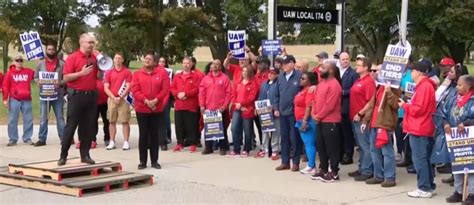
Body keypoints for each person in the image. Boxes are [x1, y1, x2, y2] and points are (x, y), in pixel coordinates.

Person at [59, 33, 101, 165]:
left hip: (91, 96)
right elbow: (65, 78)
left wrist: (101, 64)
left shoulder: (95, 58)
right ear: (81, 43)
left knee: (87, 127)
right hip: (76, 96)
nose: (91, 45)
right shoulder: (73, 58)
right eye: (89, 42)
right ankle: (63, 155)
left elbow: (99, 76)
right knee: (71, 126)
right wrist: (81, 73)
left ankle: (85, 155)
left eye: (92, 43)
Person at [399, 62, 437, 198]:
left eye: (412, 71)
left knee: (420, 159)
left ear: (419, 72)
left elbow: (419, 109)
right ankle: (428, 185)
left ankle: (424, 187)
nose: (410, 73)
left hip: (420, 127)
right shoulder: (424, 86)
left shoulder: (424, 87)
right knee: (424, 158)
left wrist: (405, 106)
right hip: (420, 126)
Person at [132, 52, 170, 169]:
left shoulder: (162, 73)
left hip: (156, 109)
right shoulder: (137, 74)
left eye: (150, 59)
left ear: (154, 62)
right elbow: (135, 90)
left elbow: (165, 89)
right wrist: (146, 101)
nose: (147, 60)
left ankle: (154, 161)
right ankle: (142, 161)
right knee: (143, 135)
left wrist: (155, 100)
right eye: (146, 58)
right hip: (142, 108)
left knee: (154, 135)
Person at [310, 61, 342, 182]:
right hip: (319, 120)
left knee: (331, 148)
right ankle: (323, 169)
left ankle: (333, 172)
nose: (320, 70)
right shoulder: (321, 83)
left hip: (330, 121)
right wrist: (314, 113)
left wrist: (319, 116)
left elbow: (330, 105)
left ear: (331, 71)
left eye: (323, 68)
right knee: (321, 146)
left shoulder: (335, 85)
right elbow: (315, 100)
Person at [444, 75, 474, 204]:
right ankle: (458, 191)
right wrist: (445, 123)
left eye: (460, 85)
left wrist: (467, 123)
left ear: (468, 87)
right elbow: (444, 113)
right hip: (455, 138)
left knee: (471, 167)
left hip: (470, 138)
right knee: (457, 165)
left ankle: (472, 194)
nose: (457, 87)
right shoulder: (453, 99)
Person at [348, 57, 376, 181]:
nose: (356, 67)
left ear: (366, 67)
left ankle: (367, 170)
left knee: (365, 145)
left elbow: (371, 101)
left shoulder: (368, 81)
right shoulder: (359, 80)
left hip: (362, 118)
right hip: (354, 117)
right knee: (361, 145)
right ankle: (362, 167)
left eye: (359, 65)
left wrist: (361, 113)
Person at [33, 42, 66, 146]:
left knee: (60, 118)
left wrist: (60, 83)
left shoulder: (61, 64)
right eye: (49, 50)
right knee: (43, 118)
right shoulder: (40, 63)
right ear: (46, 51)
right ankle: (42, 139)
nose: (51, 51)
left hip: (58, 95)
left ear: (55, 51)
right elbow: (36, 76)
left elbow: (66, 78)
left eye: (52, 49)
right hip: (44, 94)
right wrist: (38, 82)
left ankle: (63, 138)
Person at [275, 55, 303, 172]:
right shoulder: (280, 77)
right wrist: (276, 108)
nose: (284, 66)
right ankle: (285, 162)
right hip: (282, 112)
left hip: (294, 113)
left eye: (286, 63)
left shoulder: (299, 76)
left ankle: (295, 162)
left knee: (295, 138)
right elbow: (276, 94)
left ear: (292, 64)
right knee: (284, 138)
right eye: (283, 63)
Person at [199, 59, 232, 155]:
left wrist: (224, 106)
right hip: (208, 108)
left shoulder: (225, 78)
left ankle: (223, 147)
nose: (214, 65)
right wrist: (201, 106)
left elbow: (228, 93)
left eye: (217, 64)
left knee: (221, 129)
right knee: (208, 129)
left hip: (220, 109)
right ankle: (208, 148)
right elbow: (201, 93)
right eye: (213, 64)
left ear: (220, 67)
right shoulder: (205, 79)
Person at [2, 55, 35, 146]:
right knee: (12, 119)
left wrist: (37, 63)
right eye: (17, 60)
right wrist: (5, 99)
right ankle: (13, 139)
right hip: (14, 99)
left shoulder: (28, 71)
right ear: (14, 62)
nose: (19, 62)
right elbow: (5, 86)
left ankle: (27, 138)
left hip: (27, 99)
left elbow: (37, 74)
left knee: (28, 119)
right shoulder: (10, 73)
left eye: (21, 60)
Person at [171, 57, 201, 153]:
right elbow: (172, 88)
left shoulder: (195, 76)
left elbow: (197, 89)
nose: (186, 65)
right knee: (179, 125)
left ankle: (193, 144)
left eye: (188, 63)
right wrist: (177, 94)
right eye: (184, 63)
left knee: (191, 125)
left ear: (191, 64)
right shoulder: (177, 76)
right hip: (179, 105)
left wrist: (186, 94)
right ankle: (180, 143)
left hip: (190, 105)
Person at [104, 53, 133, 150]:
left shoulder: (127, 72)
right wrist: (113, 97)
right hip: (112, 99)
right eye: (116, 58)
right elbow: (106, 87)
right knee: (112, 121)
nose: (117, 60)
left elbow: (128, 86)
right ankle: (112, 141)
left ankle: (126, 142)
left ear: (123, 60)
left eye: (119, 58)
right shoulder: (109, 72)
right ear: (113, 60)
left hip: (123, 99)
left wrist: (120, 97)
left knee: (125, 121)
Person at [229, 65, 259, 157]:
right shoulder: (238, 82)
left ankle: (247, 149)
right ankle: (236, 148)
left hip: (247, 109)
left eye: (246, 71)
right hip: (237, 108)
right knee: (234, 128)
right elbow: (233, 94)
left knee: (247, 130)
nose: (244, 73)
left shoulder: (253, 84)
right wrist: (236, 104)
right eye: (243, 71)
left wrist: (241, 104)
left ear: (249, 72)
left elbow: (251, 97)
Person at [295, 72, 318, 175]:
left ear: (309, 81)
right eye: (301, 78)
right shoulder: (303, 90)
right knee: (307, 143)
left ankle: (311, 166)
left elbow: (309, 106)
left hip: (307, 120)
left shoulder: (309, 91)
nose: (301, 80)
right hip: (300, 119)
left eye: (303, 79)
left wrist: (304, 120)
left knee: (309, 144)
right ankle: (311, 164)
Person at [255, 66, 280, 160]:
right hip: (264, 111)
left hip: (274, 111)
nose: (270, 75)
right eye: (269, 73)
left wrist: (277, 109)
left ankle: (275, 150)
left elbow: (279, 98)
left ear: (277, 75)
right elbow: (260, 97)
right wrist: (257, 107)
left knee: (275, 131)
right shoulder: (264, 84)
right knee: (265, 130)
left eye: (273, 73)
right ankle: (265, 149)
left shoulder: (278, 84)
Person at [339, 52, 359, 165]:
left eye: (347, 59)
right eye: (343, 59)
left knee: (347, 133)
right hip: (337, 107)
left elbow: (354, 89)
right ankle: (341, 153)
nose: (345, 61)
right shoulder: (337, 72)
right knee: (340, 133)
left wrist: (342, 92)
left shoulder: (353, 73)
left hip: (347, 106)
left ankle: (348, 154)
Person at [159, 57, 173, 150]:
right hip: (157, 98)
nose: (161, 63)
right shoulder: (155, 71)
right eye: (160, 61)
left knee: (166, 118)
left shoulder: (170, 73)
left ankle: (167, 136)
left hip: (166, 97)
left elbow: (172, 86)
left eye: (163, 62)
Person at [91, 76, 109, 149]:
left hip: (105, 102)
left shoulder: (107, 74)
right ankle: (92, 139)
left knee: (107, 121)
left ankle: (107, 138)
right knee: (93, 121)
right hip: (94, 103)